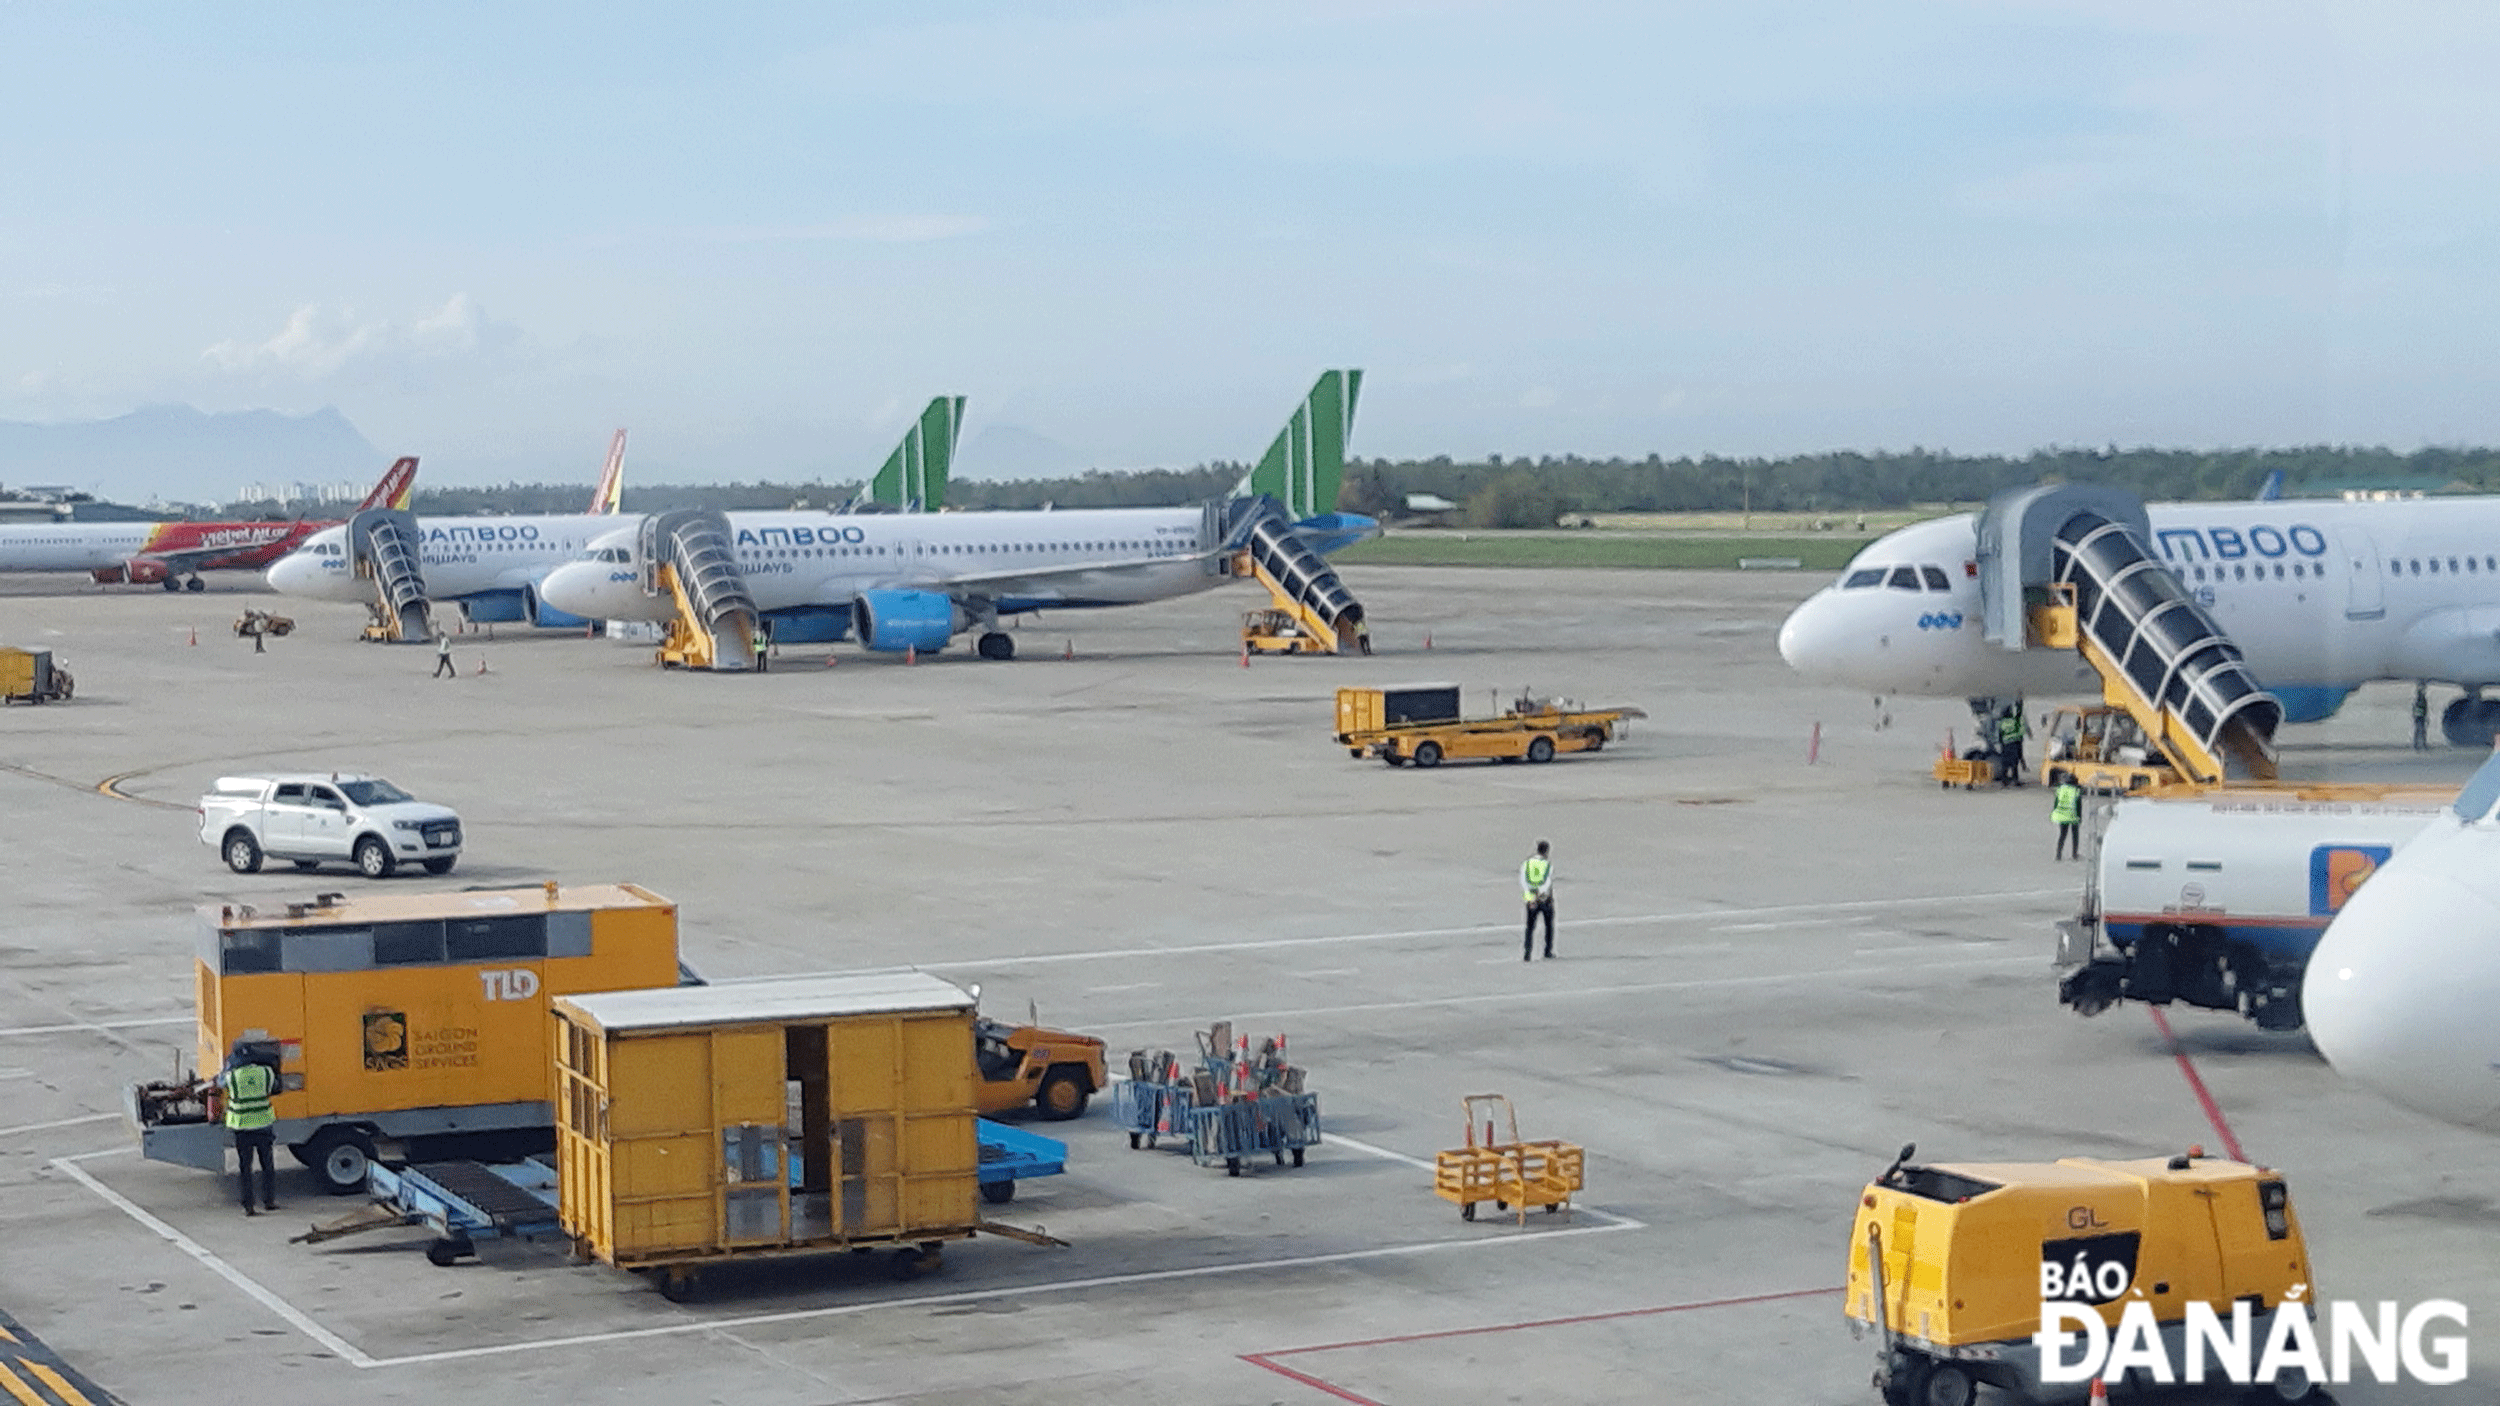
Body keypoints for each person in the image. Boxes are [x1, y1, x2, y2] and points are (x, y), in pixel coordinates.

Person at [219, 1044, 279, 1215]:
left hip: (242, 1127)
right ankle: (269, 1201)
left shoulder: (232, 1077)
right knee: (267, 1164)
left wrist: (226, 1068)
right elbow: (274, 1086)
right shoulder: (266, 1072)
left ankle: (249, 1206)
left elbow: (220, 1082)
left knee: (245, 1167)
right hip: (263, 1125)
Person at [1520, 840, 1555, 961]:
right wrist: (1544, 896)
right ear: (1546, 851)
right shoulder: (1546, 865)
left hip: (1530, 898)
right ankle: (1547, 951)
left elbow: (1524, 881)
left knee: (1529, 927)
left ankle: (1527, 952)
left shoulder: (1527, 863)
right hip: (1544, 899)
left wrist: (1530, 898)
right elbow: (1547, 883)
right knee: (1548, 925)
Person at [2051, 770, 2083, 861]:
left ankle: (2058, 855)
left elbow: (2056, 803)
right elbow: (2078, 806)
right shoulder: (2076, 791)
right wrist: (2079, 817)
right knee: (2075, 835)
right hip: (2073, 816)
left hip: (2062, 815)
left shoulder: (2060, 790)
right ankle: (2074, 854)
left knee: (2062, 835)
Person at [1996, 706, 2028, 787]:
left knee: (2005, 764)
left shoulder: (2001, 723)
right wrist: (2020, 703)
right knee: (2014, 764)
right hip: (2015, 744)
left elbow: (2000, 735)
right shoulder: (2014, 721)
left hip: (2005, 745)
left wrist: (2001, 745)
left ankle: (2004, 781)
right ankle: (2015, 780)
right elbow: (2019, 714)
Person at [2413, 683, 2430, 751]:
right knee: (2421, 731)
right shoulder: (2421, 700)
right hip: (2420, 718)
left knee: (2419, 731)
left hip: (2419, 718)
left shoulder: (2419, 701)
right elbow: (2423, 709)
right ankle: (2420, 744)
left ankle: (2418, 744)